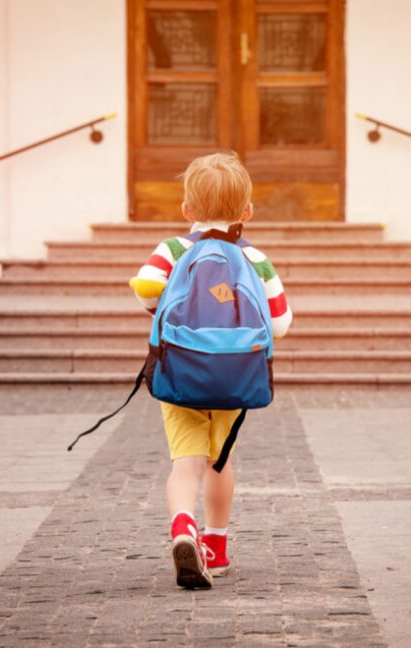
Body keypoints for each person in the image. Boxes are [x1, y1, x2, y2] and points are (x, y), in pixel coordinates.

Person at [129, 152, 292, 589]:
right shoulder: (254, 258)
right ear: (247, 212)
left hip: (180, 373)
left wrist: (164, 310)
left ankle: (184, 527)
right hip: (234, 377)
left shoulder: (174, 249)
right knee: (220, 462)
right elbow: (279, 323)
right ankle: (216, 547)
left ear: (186, 210)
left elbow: (146, 288)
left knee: (185, 464)